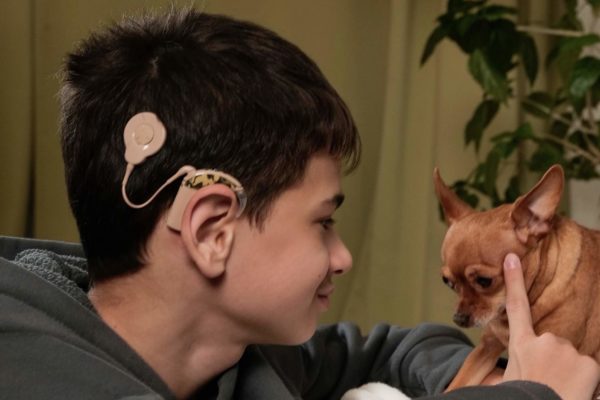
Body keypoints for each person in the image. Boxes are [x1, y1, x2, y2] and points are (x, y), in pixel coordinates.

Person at [0, 8, 597, 400]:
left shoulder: (236, 353)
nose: (342, 257)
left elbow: (391, 348)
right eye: (323, 221)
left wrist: (497, 373)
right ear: (211, 230)